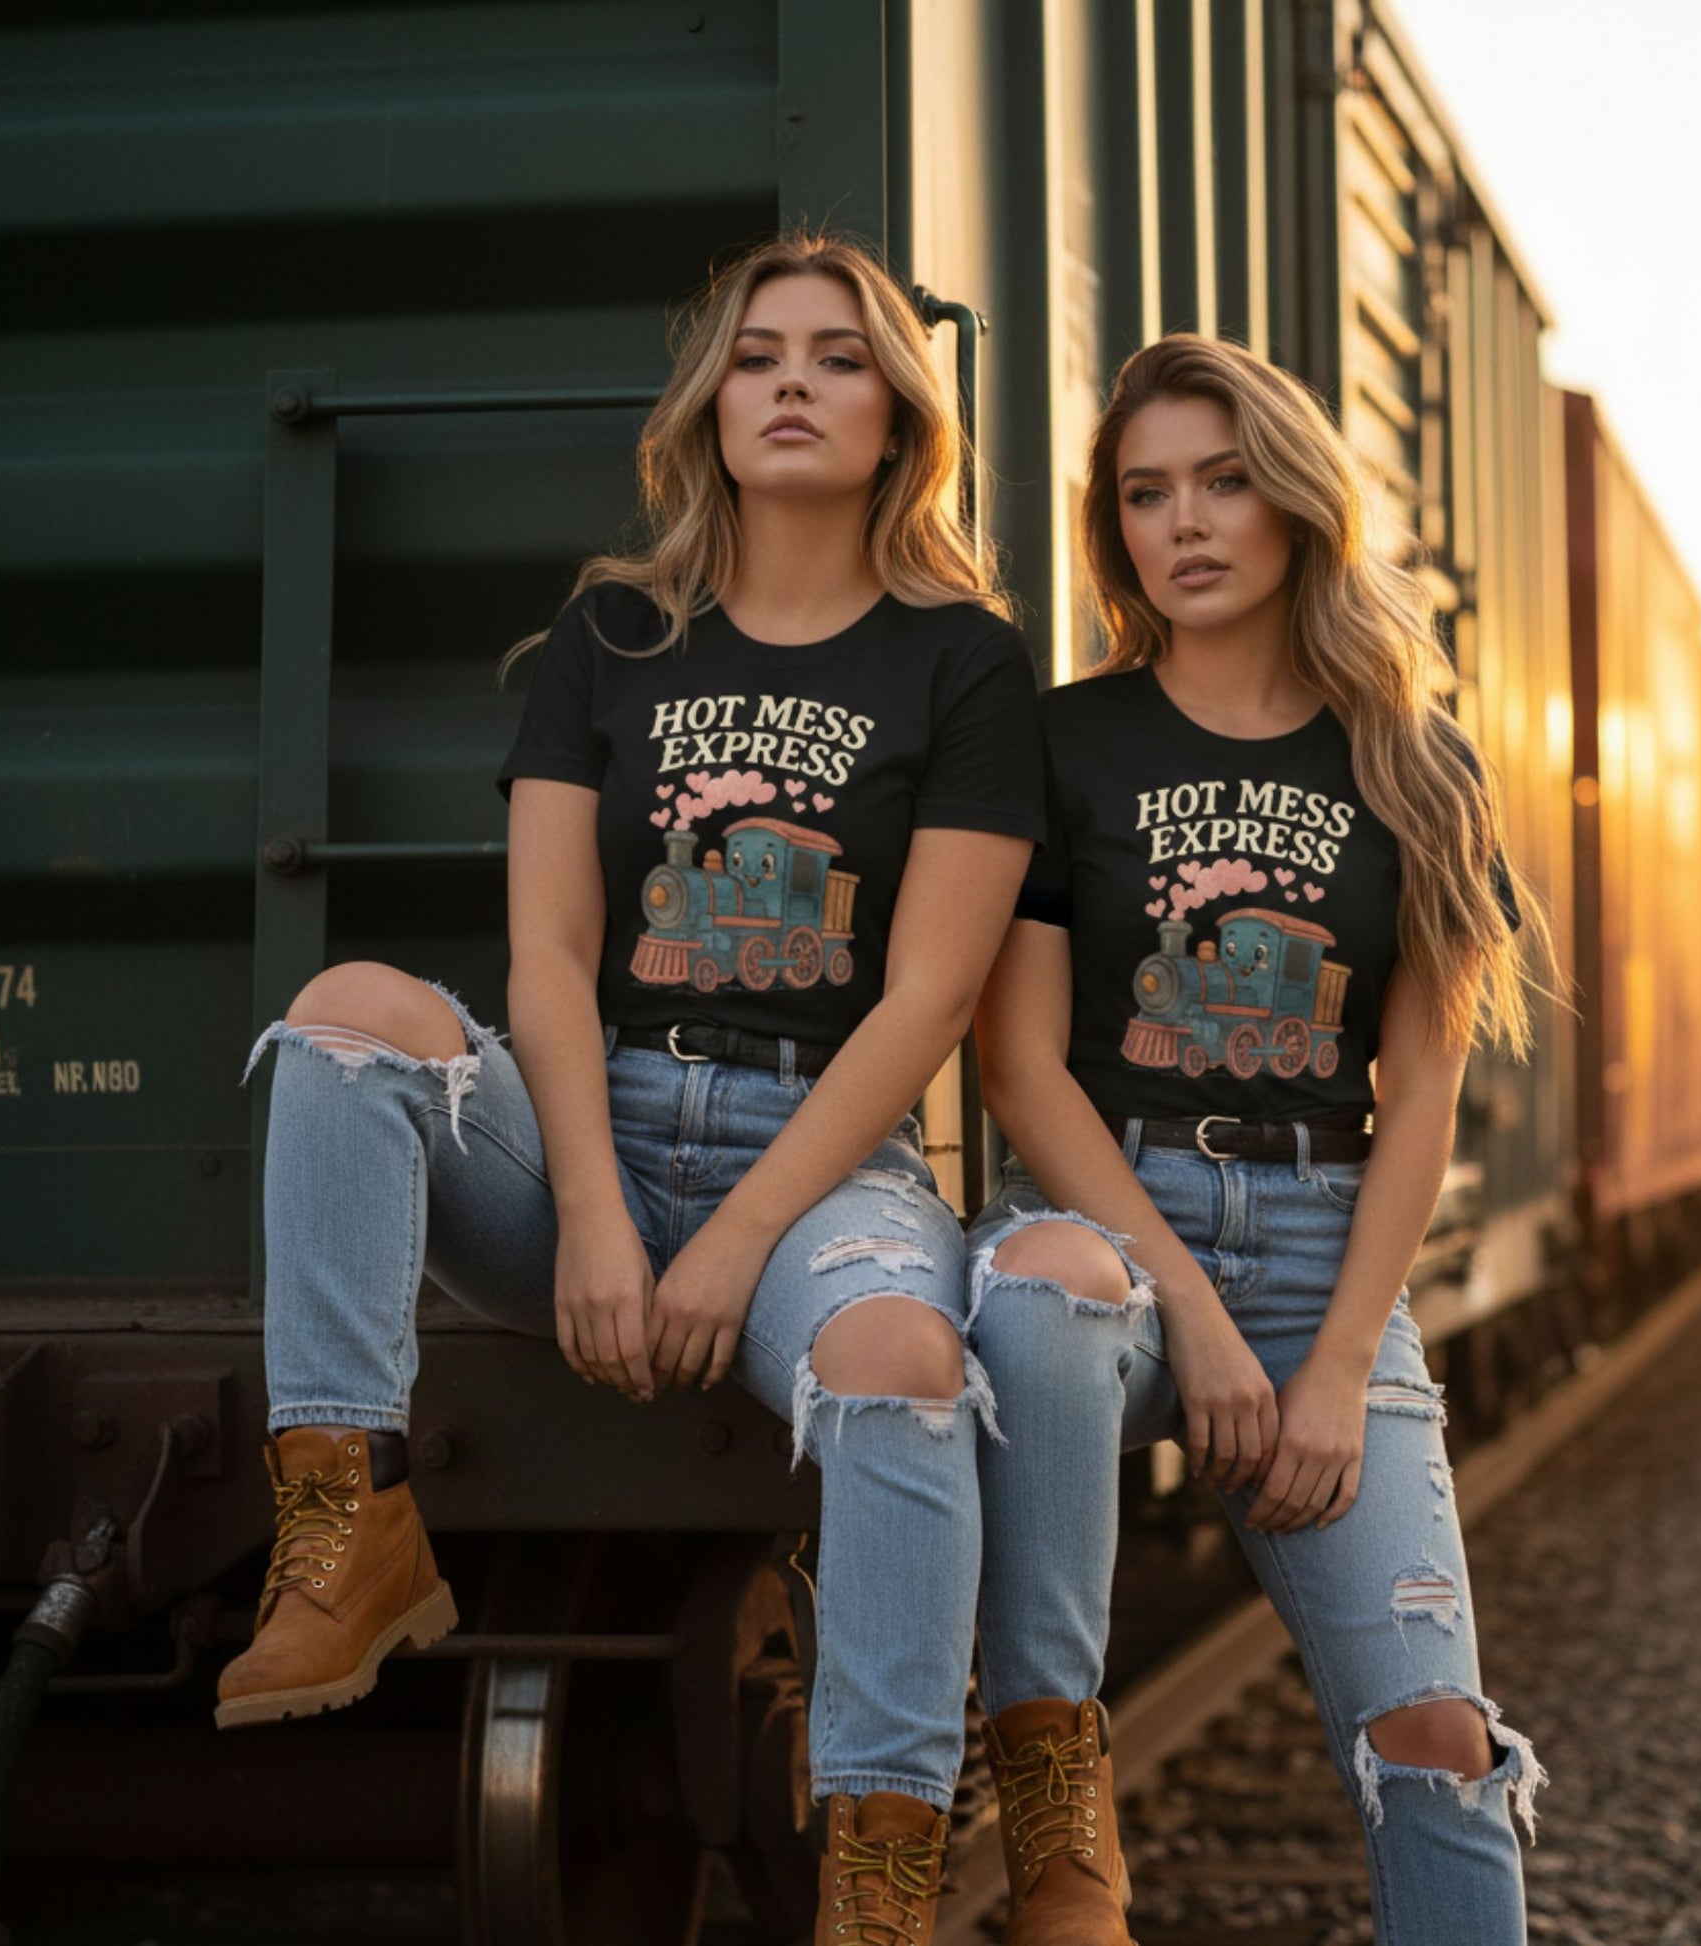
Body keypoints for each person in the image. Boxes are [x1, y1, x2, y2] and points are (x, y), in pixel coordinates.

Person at [220, 233, 1045, 1941]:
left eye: (836, 355)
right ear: (710, 404)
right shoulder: (615, 632)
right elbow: (544, 960)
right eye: (757, 355)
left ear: (896, 415)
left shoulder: (958, 659)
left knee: (905, 1361)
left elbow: (932, 993)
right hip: (588, 1117)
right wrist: (590, 1208)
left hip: (822, 1168)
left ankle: (881, 1864)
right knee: (343, 1015)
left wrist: (738, 1235)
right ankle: (343, 1530)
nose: (795, 381)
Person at [964, 335, 1550, 1945]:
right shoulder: (1061, 743)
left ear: (1295, 501)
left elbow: (1419, 1088)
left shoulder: (1416, 768)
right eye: (1145, 492)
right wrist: (1199, 1321)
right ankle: (1052, 1789)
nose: (1186, 521)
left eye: (1223, 480)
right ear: (1116, 530)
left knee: (1435, 1737)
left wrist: (1338, 1355)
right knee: (1040, 1294)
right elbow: (1018, 1065)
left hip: (1320, 1248)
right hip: (1105, 1220)